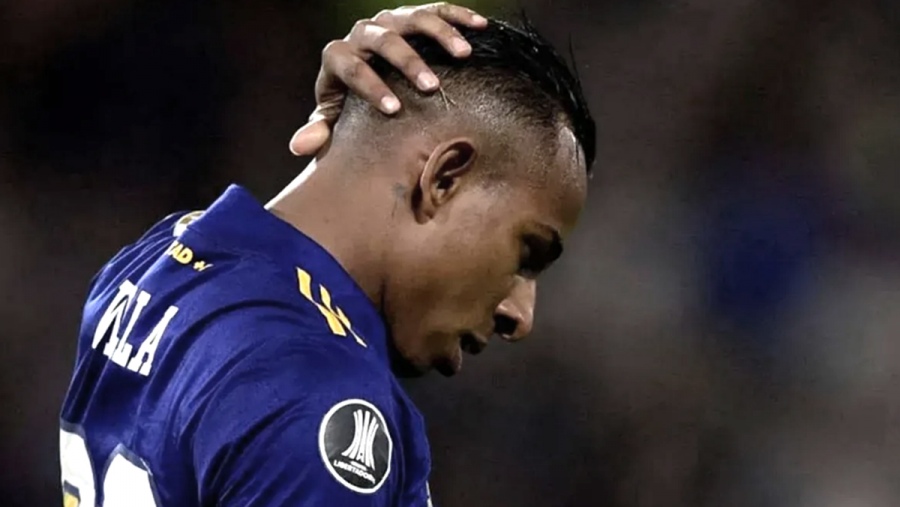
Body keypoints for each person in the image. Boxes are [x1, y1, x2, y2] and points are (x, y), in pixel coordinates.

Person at [58, 3, 596, 506]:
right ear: (444, 178)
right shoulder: (321, 398)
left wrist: (351, 136)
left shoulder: (154, 261)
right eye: (527, 253)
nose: (520, 316)